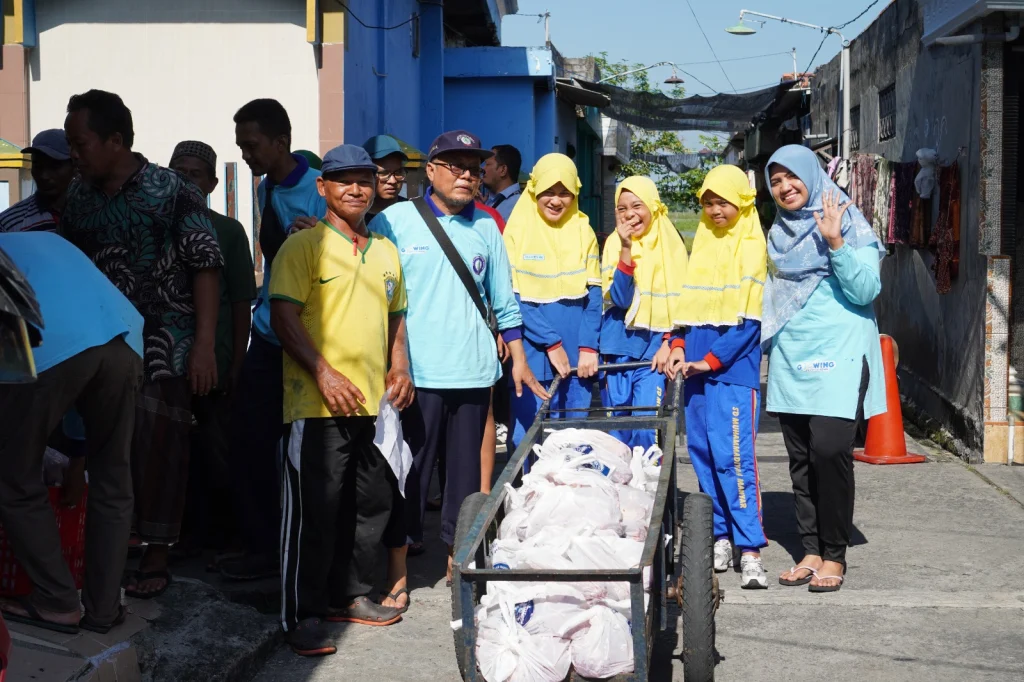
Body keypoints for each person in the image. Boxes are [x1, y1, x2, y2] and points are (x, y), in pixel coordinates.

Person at [61, 89, 223, 599]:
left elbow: (206, 264)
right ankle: (113, 545)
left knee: (160, 451)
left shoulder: (171, 189)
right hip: (97, 345)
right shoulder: (78, 196)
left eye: (79, 142)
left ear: (114, 140)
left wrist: (203, 346)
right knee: (104, 449)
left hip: (164, 345)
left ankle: (156, 553)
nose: (73, 153)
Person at [370, 130, 546, 582]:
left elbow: (503, 301)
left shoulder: (486, 225)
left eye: (473, 168)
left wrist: (519, 359)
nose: (467, 176)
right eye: (455, 166)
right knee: (406, 476)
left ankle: (458, 558)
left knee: (465, 483)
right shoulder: (394, 221)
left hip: (473, 372)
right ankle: (397, 571)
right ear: (430, 171)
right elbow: (369, 280)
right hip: (416, 376)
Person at [271, 144, 413, 655]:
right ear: (323, 187)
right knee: (315, 511)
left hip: (374, 406)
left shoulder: (386, 250)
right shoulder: (303, 247)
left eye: (364, 180)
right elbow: (284, 317)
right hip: (315, 404)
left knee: (369, 505)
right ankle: (302, 613)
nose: (356, 188)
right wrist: (324, 373)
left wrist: (400, 366)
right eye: (344, 180)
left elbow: (397, 318)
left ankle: (349, 594)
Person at [0, 232, 142, 635]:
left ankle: (57, 601)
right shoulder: (42, 241)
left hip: (50, 341)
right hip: (124, 337)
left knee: (13, 475)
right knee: (112, 477)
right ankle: (103, 608)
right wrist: (76, 454)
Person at [763, 145, 886, 593]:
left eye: (791, 177)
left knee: (830, 451)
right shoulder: (778, 233)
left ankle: (835, 554)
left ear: (812, 176)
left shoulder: (848, 221)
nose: (784, 187)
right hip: (793, 354)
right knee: (800, 461)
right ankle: (810, 550)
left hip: (840, 354)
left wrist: (835, 243)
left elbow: (866, 288)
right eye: (775, 181)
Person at [220, 99, 327, 582]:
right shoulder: (267, 188)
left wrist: (323, 234)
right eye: (241, 146)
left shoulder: (318, 190)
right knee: (249, 441)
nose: (246, 155)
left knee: (303, 451)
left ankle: (302, 551)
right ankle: (261, 546)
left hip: (306, 337)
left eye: (252, 145)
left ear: (281, 140)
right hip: (267, 334)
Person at [665, 165, 769, 589]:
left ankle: (750, 548)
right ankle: (722, 535)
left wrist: (708, 360)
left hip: (730, 374)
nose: (713, 210)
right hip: (695, 374)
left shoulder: (751, 246)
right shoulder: (702, 245)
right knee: (704, 455)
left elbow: (750, 324)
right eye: (707, 202)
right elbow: (686, 308)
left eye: (721, 201)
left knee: (735, 460)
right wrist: (675, 344)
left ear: (741, 202)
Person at [169, 141, 258, 552]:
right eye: (178, 170)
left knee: (217, 451)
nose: (186, 179)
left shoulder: (228, 231)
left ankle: (224, 536)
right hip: (165, 362)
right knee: (171, 452)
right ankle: (176, 533)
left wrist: (236, 361)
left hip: (216, 360)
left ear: (212, 183)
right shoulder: (157, 224)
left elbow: (242, 300)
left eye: (195, 173)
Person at [503, 153, 602, 448]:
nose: (556, 201)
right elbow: (512, 299)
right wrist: (550, 342)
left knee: (573, 436)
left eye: (564, 193)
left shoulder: (584, 231)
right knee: (528, 437)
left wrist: (587, 347)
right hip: (531, 351)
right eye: (548, 192)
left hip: (578, 354)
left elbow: (594, 298)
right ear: (534, 191)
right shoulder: (516, 232)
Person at [600, 176, 688, 449]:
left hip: (653, 354)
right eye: (622, 208)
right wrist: (626, 248)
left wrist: (668, 342)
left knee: (648, 429)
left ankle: (651, 490)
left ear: (652, 206)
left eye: (636, 206)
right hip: (616, 350)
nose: (629, 215)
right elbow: (620, 299)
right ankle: (621, 489)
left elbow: (683, 306)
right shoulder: (614, 244)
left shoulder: (672, 246)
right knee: (617, 432)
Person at [0, 130, 75, 233]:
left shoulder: (96, 214)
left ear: (75, 166)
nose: (44, 176)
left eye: (54, 166)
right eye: (37, 166)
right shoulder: (8, 224)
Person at [363, 135, 408, 223]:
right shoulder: (353, 215)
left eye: (398, 172)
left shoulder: (413, 213)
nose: (393, 181)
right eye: (384, 173)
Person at [482, 144, 523, 222]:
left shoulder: (518, 205)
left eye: (487, 164)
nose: (483, 168)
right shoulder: (488, 200)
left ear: (503, 170)